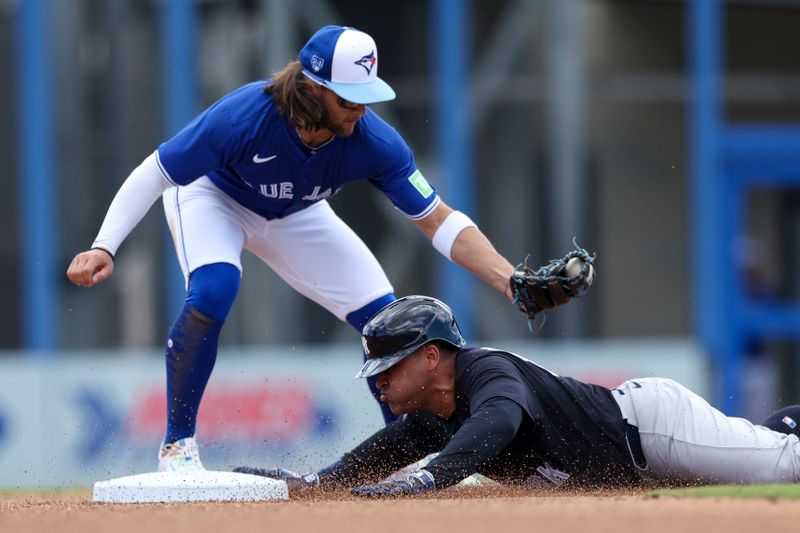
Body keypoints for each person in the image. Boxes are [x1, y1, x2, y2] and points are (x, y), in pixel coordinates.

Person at [65, 25, 518, 473]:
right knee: (214, 289)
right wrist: (105, 245)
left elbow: (438, 219)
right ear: (311, 87)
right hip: (213, 197)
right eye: (346, 98)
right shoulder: (243, 117)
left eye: (365, 97)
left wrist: (509, 279)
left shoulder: (373, 141)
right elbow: (155, 172)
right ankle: (177, 446)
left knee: (387, 324)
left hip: (297, 214)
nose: (359, 110)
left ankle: (410, 461)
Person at [235, 295, 800, 496]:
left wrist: (431, 478)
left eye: (390, 365)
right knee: (763, 450)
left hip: (650, 429)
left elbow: (501, 422)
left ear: (432, 356)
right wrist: (316, 484)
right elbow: (387, 449)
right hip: (634, 466)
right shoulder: (437, 411)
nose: (379, 380)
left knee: (783, 470)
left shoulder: (488, 373)